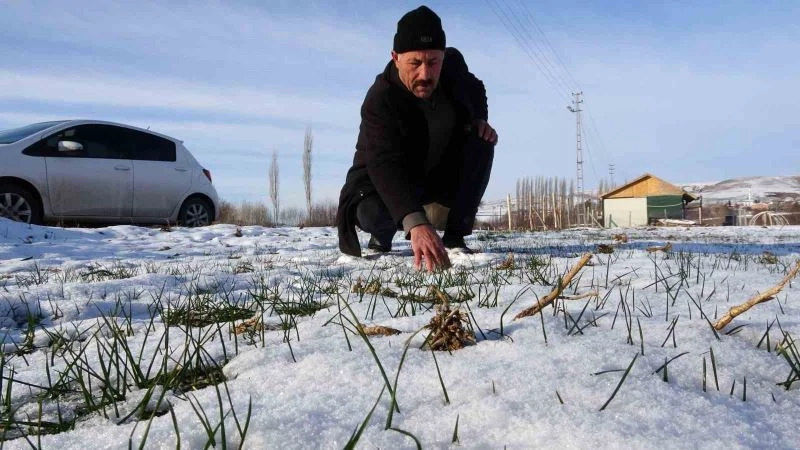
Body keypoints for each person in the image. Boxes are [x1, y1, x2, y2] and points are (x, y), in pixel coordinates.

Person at [336, 5, 497, 272]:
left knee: (482, 140)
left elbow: (475, 87)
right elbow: (383, 163)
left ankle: (455, 238)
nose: (425, 74)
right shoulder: (380, 98)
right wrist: (417, 224)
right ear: (396, 57)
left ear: (443, 57)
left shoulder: (453, 67)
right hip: (380, 183)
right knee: (374, 214)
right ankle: (383, 235)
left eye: (433, 62)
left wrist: (479, 118)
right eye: (415, 63)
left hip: (432, 177)